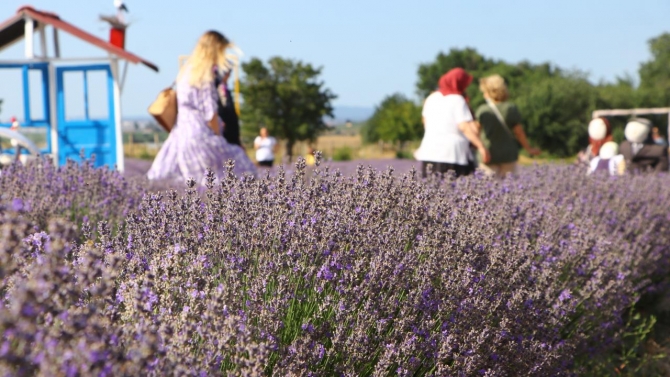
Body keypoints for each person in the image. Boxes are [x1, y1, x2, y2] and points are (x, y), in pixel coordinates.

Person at [147, 31, 257, 184]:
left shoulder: (186, 70)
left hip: (181, 134)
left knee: (187, 183)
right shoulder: (204, 75)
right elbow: (210, 113)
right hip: (199, 135)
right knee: (242, 169)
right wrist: (219, 136)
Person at [414, 68, 490, 178]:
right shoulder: (457, 99)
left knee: (430, 189)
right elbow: (464, 127)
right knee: (454, 189)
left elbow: (425, 123)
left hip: (429, 151)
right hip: (452, 154)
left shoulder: (431, 98)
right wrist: (481, 146)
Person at [475, 75, 540, 178]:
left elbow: (475, 132)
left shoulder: (482, 110)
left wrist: (480, 148)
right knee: (509, 187)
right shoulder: (511, 108)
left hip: (488, 155)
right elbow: (519, 133)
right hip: (508, 155)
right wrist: (529, 149)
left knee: (486, 188)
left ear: (487, 92)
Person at [213, 65, 242, 147]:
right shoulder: (217, 88)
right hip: (224, 129)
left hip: (230, 130)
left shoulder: (224, 87)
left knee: (231, 158)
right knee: (227, 157)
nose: (228, 75)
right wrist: (221, 119)